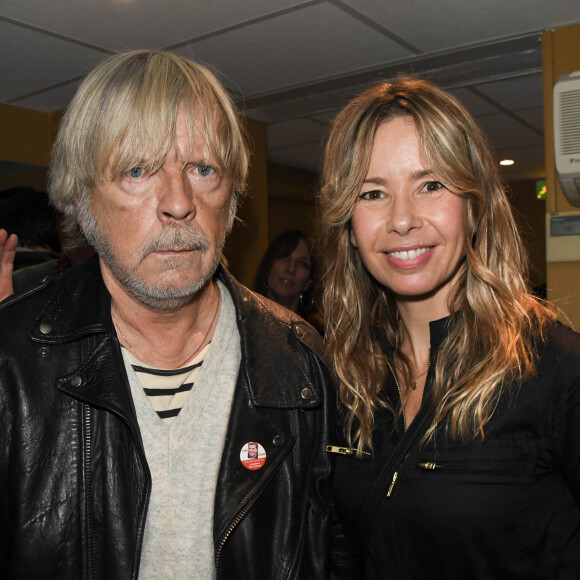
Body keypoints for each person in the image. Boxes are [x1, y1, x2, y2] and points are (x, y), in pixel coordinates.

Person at [0, 50, 334, 579]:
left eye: (203, 169)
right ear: (82, 197)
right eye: (138, 170)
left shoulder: (302, 364)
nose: (179, 202)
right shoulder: (10, 364)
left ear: (231, 196)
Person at [319, 78, 580, 578]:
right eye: (373, 193)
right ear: (349, 227)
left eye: (431, 184)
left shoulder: (555, 371)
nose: (402, 219)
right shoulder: (343, 379)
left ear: (474, 204)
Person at [254, 230, 323, 333]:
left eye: (302, 263)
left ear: (308, 282)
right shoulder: (241, 319)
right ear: (268, 265)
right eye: (284, 257)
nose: (291, 269)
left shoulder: (318, 338)